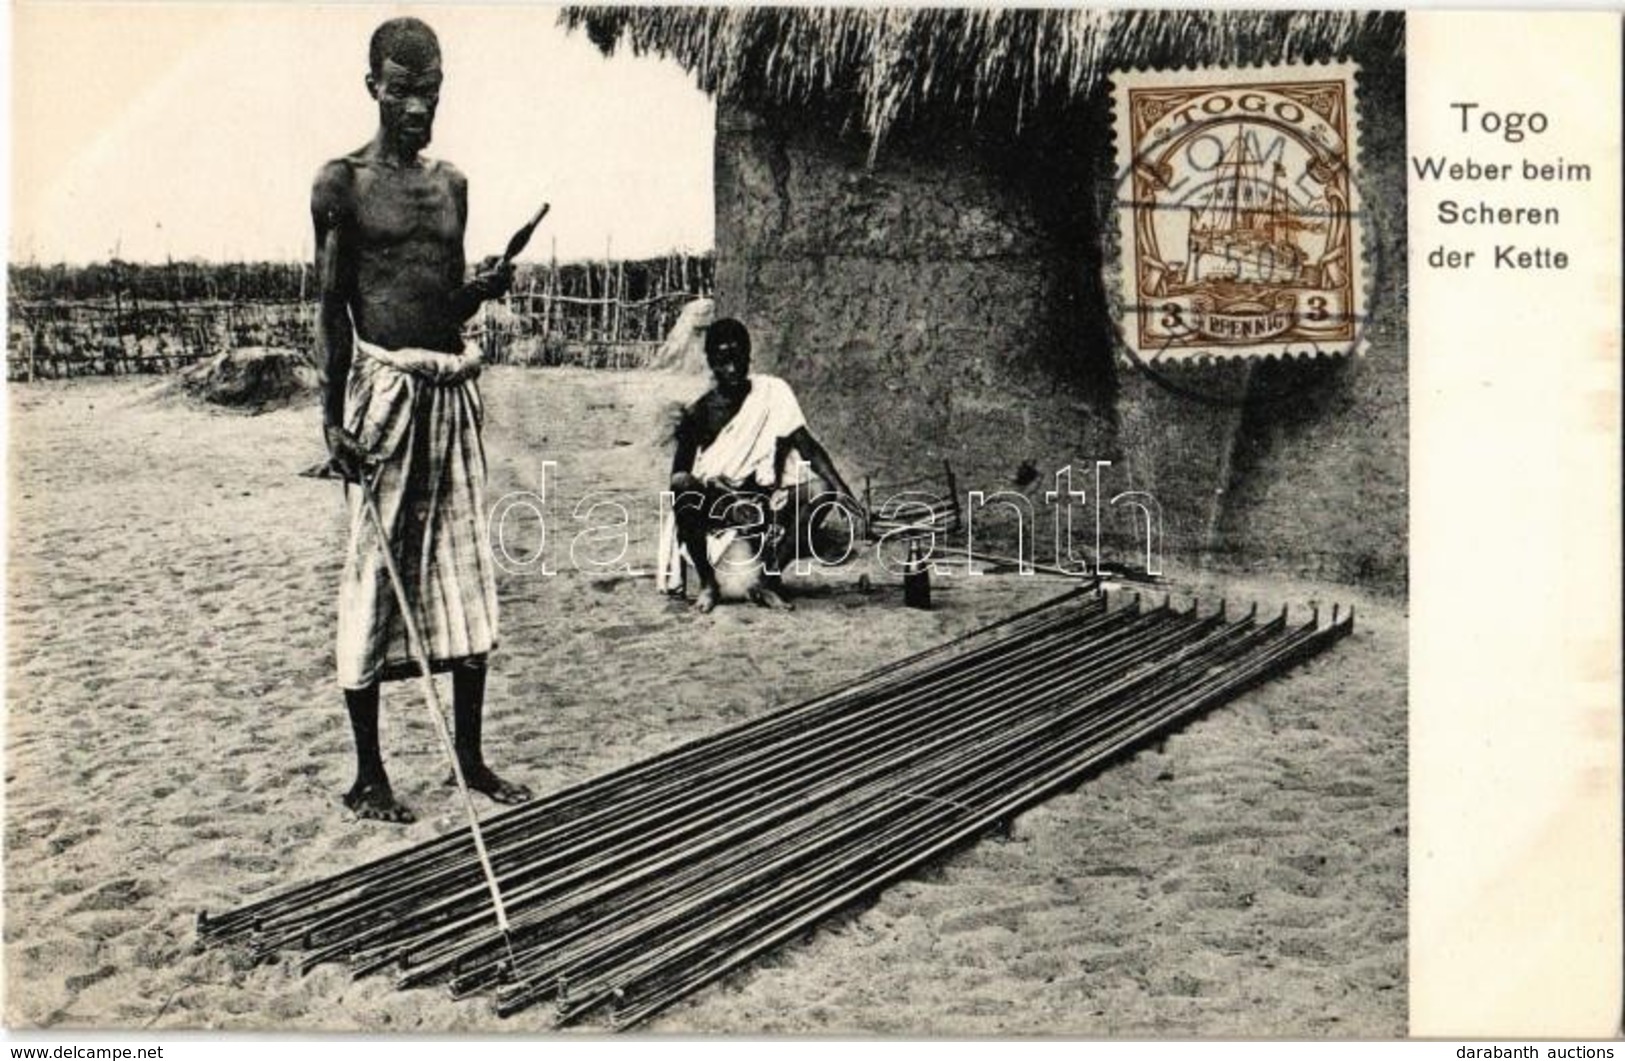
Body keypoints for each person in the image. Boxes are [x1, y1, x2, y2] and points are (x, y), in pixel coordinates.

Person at [312, 17, 530, 823]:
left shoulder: (453, 186)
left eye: (429, 89)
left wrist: (481, 289)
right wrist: (329, 420)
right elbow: (334, 310)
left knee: (466, 567)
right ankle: (369, 776)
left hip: (452, 392)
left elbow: (438, 300)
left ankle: (468, 757)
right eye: (401, 89)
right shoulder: (342, 183)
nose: (416, 106)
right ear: (372, 84)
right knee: (375, 573)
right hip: (385, 398)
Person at [661, 318, 859, 613]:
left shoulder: (772, 392)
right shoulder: (699, 412)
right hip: (717, 508)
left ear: (749, 356)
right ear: (711, 362)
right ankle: (708, 583)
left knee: (822, 490)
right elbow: (679, 477)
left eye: (738, 359)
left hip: (763, 503)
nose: (732, 369)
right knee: (682, 487)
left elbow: (807, 446)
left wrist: (844, 493)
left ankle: (767, 580)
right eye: (723, 361)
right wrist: (725, 501)